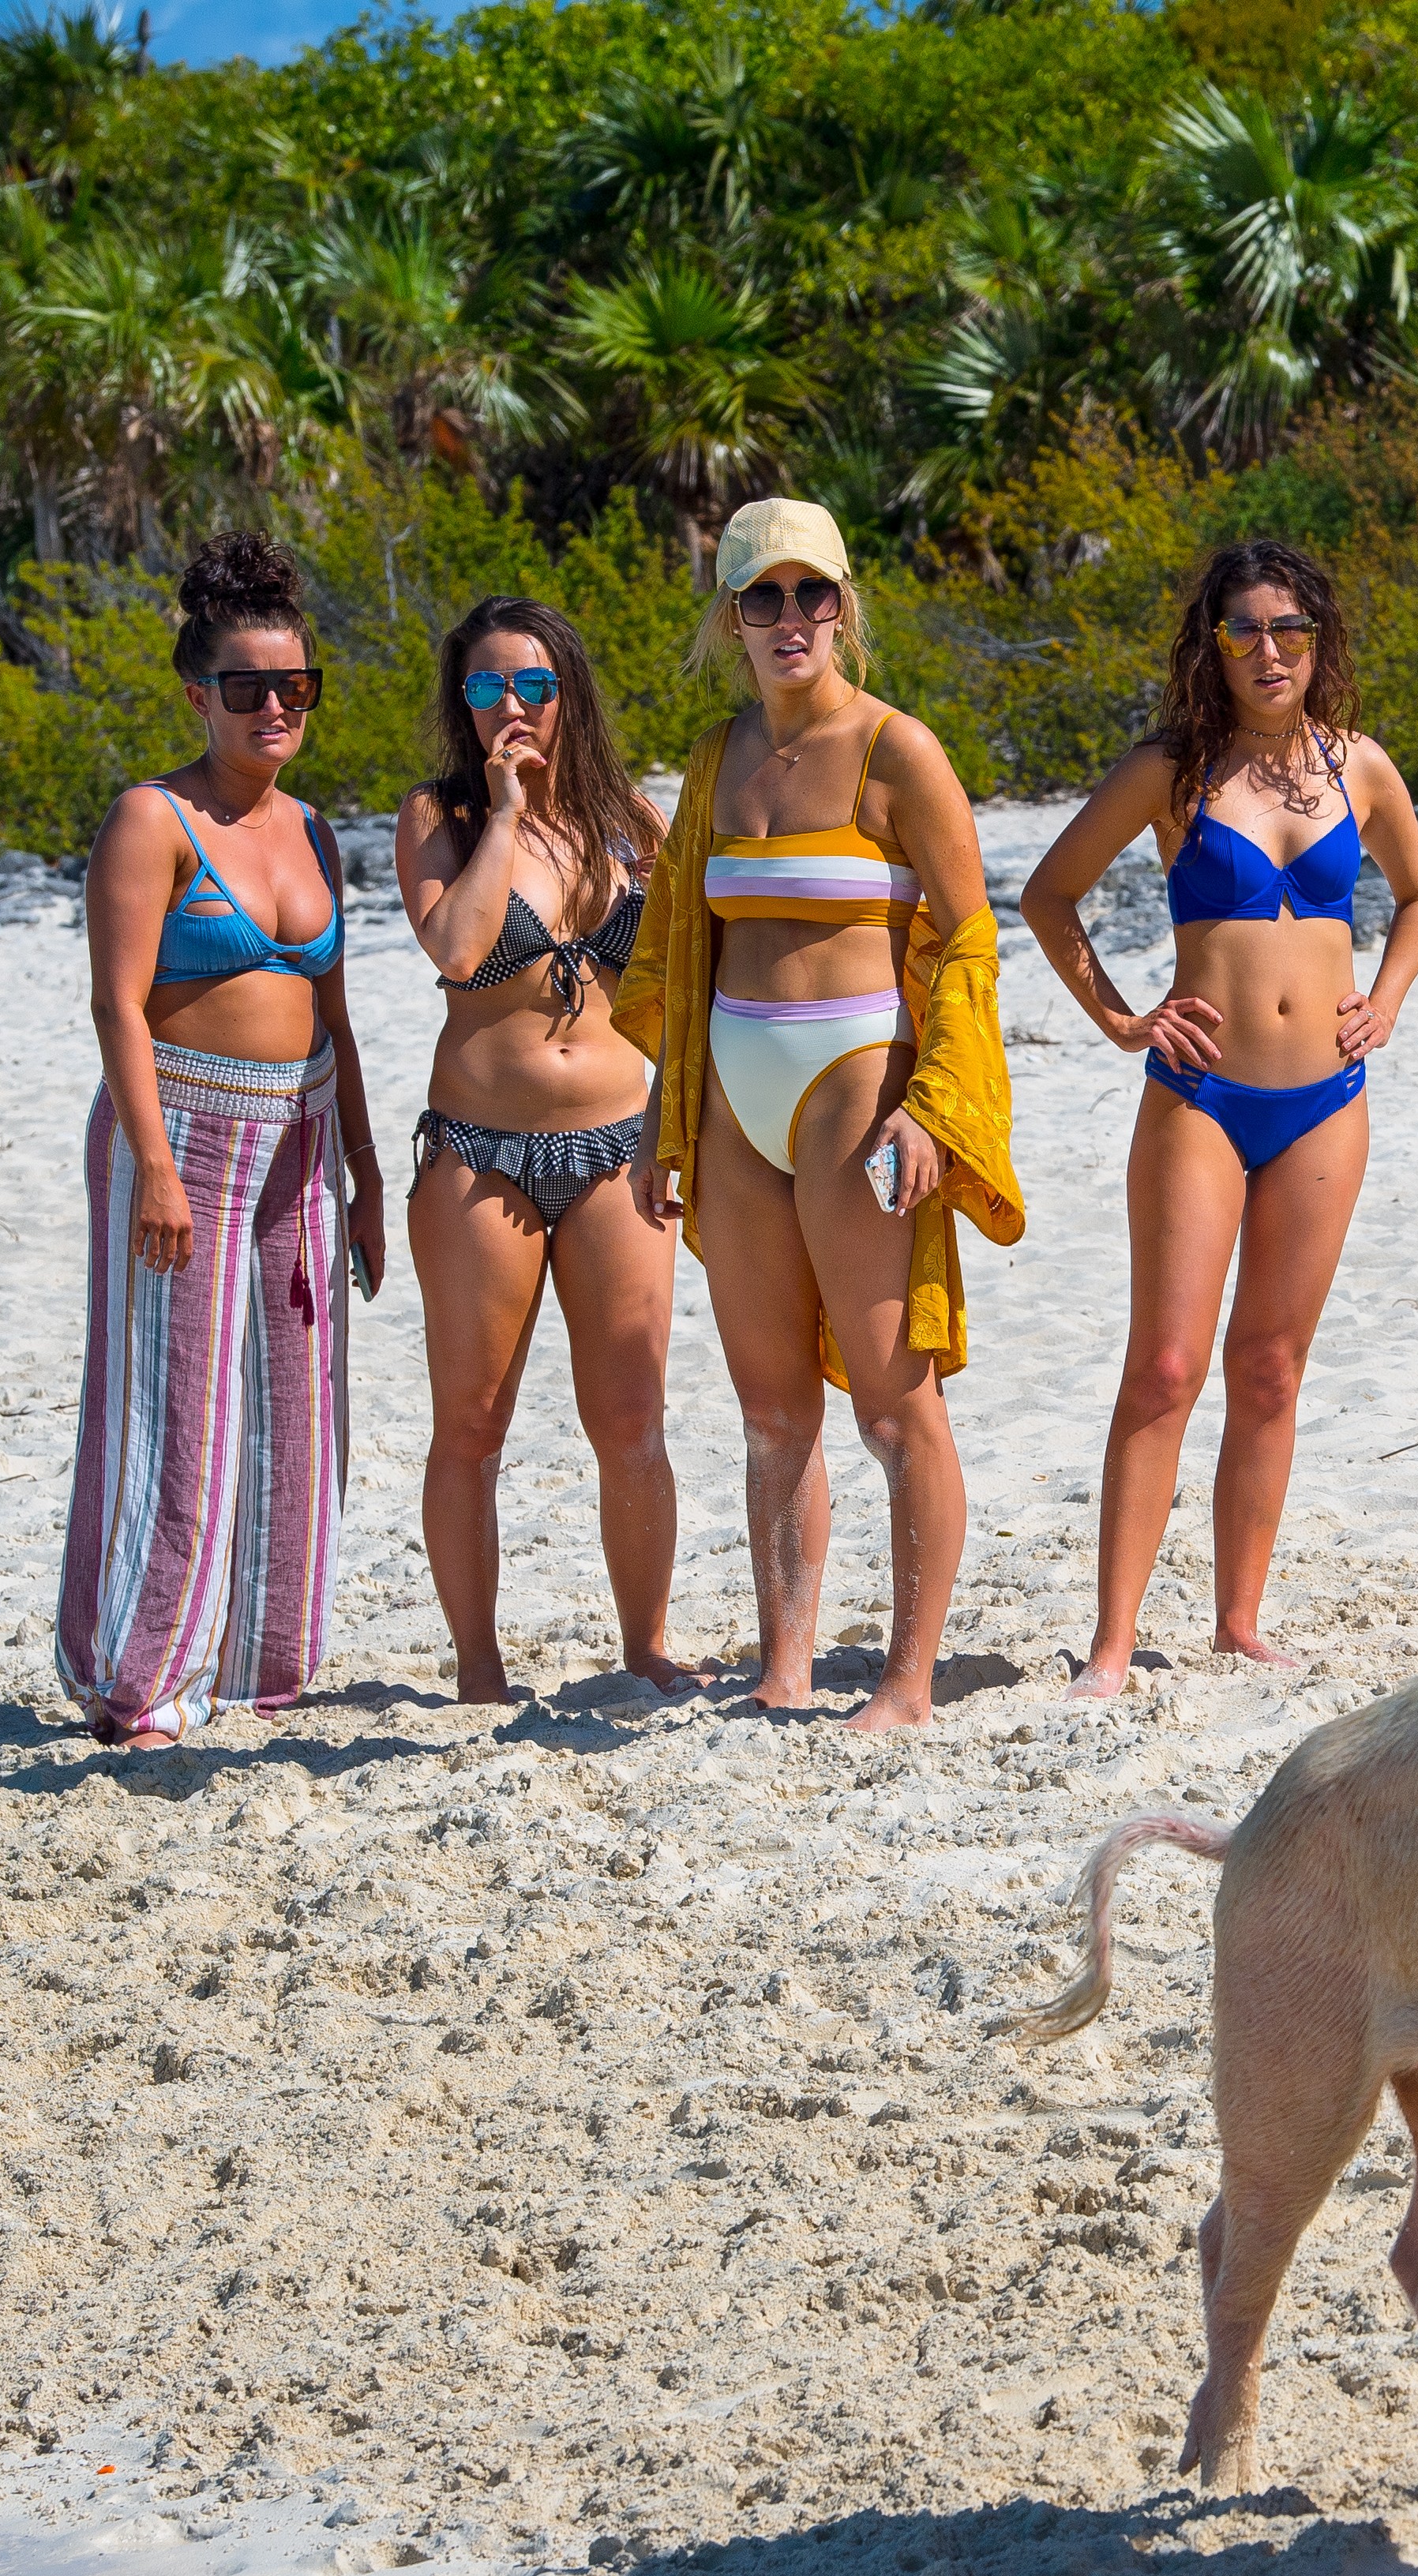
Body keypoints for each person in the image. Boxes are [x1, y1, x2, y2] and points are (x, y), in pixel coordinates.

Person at [611, 500, 1020, 1732]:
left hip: (860, 1084)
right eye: (762, 597)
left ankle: (907, 1678)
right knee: (772, 1406)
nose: (790, 619)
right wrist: (657, 1119)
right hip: (734, 1093)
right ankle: (784, 1662)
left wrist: (937, 1112)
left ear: (845, 604)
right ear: (728, 616)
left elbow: (969, 942)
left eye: (812, 594)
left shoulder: (899, 750)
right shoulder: (716, 752)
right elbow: (683, 945)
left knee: (897, 1404)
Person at [1020, 538, 1418, 1697]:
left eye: (1291, 630)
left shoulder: (1358, 765)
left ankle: (1238, 1621)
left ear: (1321, 644)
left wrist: (1387, 1001)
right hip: (1200, 1097)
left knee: (1269, 1368)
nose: (1270, 651)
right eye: (1246, 630)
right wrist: (1120, 1019)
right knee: (1164, 1365)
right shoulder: (1171, 768)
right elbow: (1049, 894)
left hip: (1328, 1101)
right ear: (1213, 644)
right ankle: (1112, 1643)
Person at [57, 532, 386, 1748]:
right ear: (198, 695)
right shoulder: (152, 819)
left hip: (300, 1137)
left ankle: (258, 1661)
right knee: (176, 1407)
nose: (275, 708)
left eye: (296, 686)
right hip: (183, 1128)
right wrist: (150, 1161)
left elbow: (337, 1013)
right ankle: (136, 1681)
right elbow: (115, 1003)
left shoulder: (312, 832)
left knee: (298, 1407)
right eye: (247, 688)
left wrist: (362, 1182)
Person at [393, 596, 698, 1705]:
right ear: (460, 702)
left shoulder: (636, 819)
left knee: (631, 1416)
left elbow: (687, 980)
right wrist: (509, 811)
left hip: (620, 1148)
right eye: (484, 688)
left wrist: (684, 1124)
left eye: (531, 685)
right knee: (472, 1424)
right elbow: (462, 943)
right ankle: (479, 1668)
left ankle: (648, 1643)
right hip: (481, 1154)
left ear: (570, 692)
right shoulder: (441, 815)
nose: (509, 705)